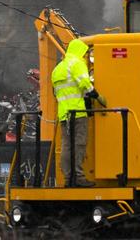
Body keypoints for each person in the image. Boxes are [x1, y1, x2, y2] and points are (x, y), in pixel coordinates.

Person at [51, 38, 105, 187]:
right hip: (78, 113)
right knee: (79, 144)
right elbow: (85, 84)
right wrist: (97, 96)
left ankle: (68, 179)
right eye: (85, 53)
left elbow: (55, 93)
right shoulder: (77, 64)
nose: (85, 56)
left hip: (64, 114)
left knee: (67, 146)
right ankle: (79, 177)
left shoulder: (58, 69)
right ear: (80, 51)